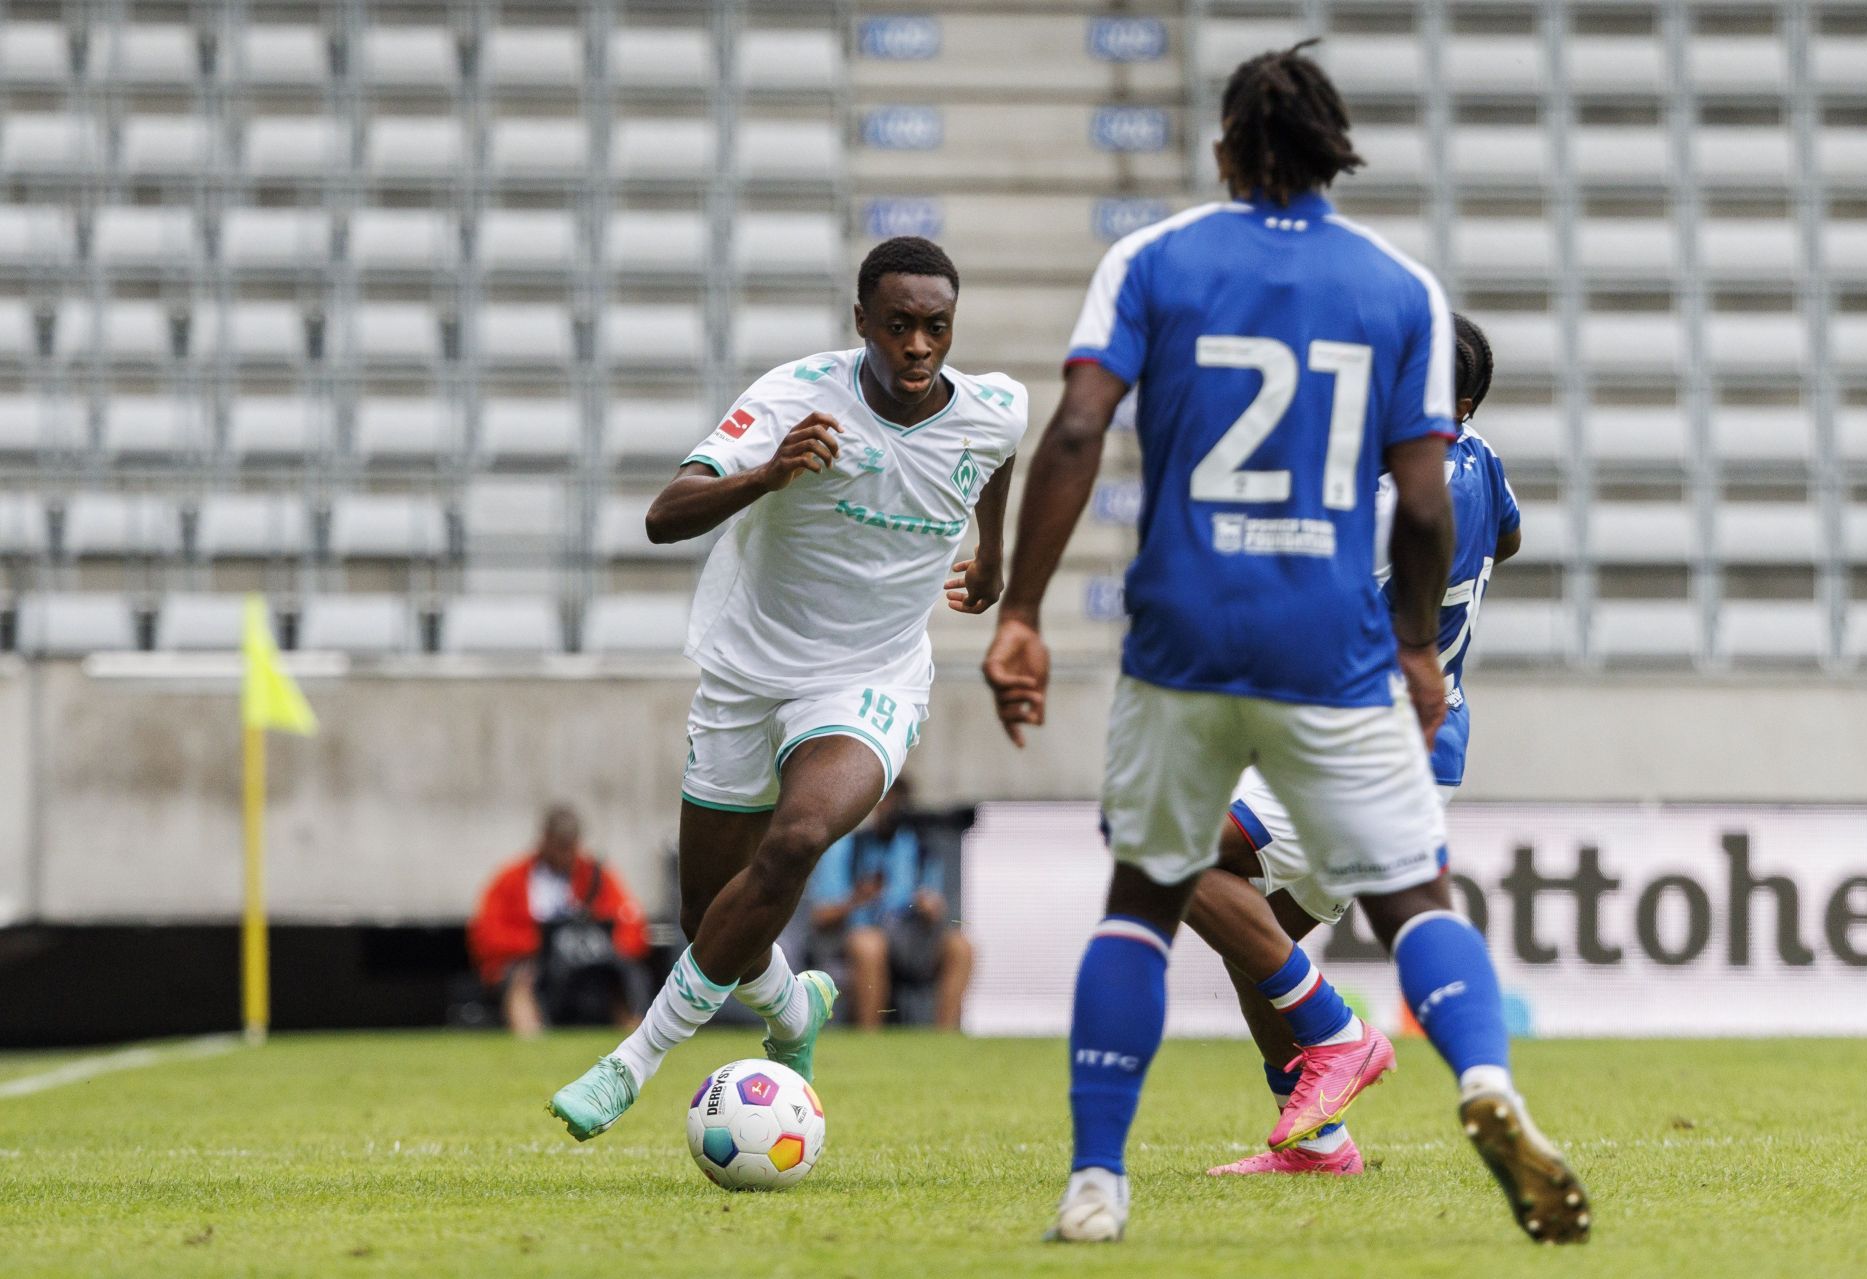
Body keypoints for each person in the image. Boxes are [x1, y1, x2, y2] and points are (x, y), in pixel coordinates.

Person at [981, 43, 1588, 1245]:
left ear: (1224, 148)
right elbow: (1427, 505)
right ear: (1334, 154)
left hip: (1189, 635)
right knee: (1414, 895)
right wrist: (1418, 653)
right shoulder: (1400, 289)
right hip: (1338, 652)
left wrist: (1021, 610)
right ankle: (1482, 1082)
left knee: (1144, 890)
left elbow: (1074, 434)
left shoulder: (1153, 259)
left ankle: (1100, 1180)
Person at [546, 237, 1027, 1140]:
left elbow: (999, 456)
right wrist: (770, 473)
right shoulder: (793, 397)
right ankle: (796, 1012)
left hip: (871, 677)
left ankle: (632, 1061)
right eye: (898, 327)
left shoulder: (993, 409)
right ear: (861, 324)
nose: (918, 347)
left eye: (936, 328)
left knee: (797, 838)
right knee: (707, 912)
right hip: (748, 673)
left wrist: (992, 560)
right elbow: (663, 515)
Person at [1189, 313, 1525, 1177]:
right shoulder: (1479, 458)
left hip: (1364, 745)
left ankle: (1343, 1036)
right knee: (1258, 945)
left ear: (1456, 401)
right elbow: (1512, 536)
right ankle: (1319, 1142)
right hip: (1419, 744)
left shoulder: (1402, 499)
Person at [468, 804, 651, 1038]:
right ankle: (531, 1042)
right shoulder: (512, 879)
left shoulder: (596, 877)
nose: (564, 855)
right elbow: (487, 934)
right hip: (537, 963)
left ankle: (635, 1043)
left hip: (590, 963)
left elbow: (632, 925)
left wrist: (605, 947)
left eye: (569, 847)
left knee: (624, 976)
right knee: (522, 980)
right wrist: (539, 943)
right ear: (544, 840)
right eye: (559, 846)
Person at [807, 777, 975, 1030]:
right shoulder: (847, 847)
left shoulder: (921, 847)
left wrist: (930, 907)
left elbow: (936, 906)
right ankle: (870, 1038)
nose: (891, 810)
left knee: (961, 947)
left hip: (909, 939)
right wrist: (858, 899)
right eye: (885, 801)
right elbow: (822, 916)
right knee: (870, 945)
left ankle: (945, 1040)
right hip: (854, 938)